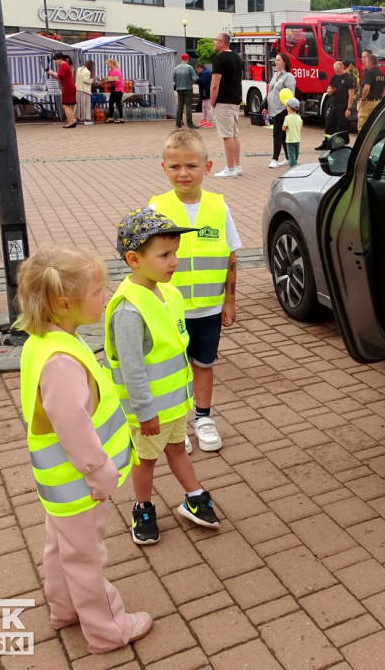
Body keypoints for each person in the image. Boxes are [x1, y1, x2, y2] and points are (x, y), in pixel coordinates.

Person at [12, 246, 153, 654]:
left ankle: (65, 609)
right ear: (63, 302)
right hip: (81, 483)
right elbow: (72, 425)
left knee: (61, 547)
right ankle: (108, 629)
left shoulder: (43, 343)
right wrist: (100, 471)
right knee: (87, 556)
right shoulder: (61, 359)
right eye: (96, 292)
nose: (104, 297)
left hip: (59, 483)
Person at [105, 207, 223, 545]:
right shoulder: (128, 310)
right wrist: (145, 412)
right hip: (149, 412)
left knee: (176, 449)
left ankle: (194, 496)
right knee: (146, 460)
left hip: (172, 404)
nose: (174, 261)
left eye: (175, 253)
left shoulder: (168, 292)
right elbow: (132, 368)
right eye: (165, 255)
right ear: (134, 259)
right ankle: (142, 508)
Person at [148, 129, 240, 452]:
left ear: (208, 167)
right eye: (175, 167)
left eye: (191, 166)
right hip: (169, 311)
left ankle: (203, 418)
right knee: (172, 369)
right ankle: (177, 426)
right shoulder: (156, 208)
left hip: (209, 309)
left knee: (203, 364)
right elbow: (147, 261)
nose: (183, 173)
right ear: (163, 168)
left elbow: (230, 256)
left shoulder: (219, 207)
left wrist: (229, 300)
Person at [209, 32, 243, 177]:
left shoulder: (220, 58)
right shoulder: (237, 57)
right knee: (234, 134)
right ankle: (237, 165)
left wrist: (212, 101)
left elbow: (215, 84)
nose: (213, 42)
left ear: (222, 42)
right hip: (235, 100)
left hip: (223, 101)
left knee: (227, 135)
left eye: (215, 40)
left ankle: (230, 169)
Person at [265, 52, 296, 168]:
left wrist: (290, 109)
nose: (276, 62)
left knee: (277, 134)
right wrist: (266, 103)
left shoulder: (289, 77)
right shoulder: (275, 75)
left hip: (282, 109)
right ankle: (288, 158)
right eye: (275, 60)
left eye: (278, 60)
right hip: (273, 108)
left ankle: (274, 159)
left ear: (285, 62)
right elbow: (271, 90)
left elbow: (290, 94)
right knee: (282, 135)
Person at [319, 60, 354, 149]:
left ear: (342, 68)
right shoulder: (334, 78)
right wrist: (330, 91)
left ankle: (340, 144)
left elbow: (351, 95)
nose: (337, 72)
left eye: (338, 70)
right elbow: (329, 91)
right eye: (335, 70)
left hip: (343, 105)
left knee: (341, 126)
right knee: (330, 123)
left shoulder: (348, 78)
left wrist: (349, 109)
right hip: (334, 103)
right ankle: (326, 143)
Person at [358, 49, 385, 131]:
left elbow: (366, 87)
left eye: (366, 61)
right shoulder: (381, 73)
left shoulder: (368, 73)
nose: (365, 63)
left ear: (370, 63)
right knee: (373, 125)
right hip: (377, 102)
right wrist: (380, 96)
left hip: (368, 102)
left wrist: (363, 98)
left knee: (362, 126)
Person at [48, 53, 76, 128]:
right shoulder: (65, 65)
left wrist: (52, 73)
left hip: (67, 86)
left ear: (60, 59)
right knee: (68, 105)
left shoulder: (63, 65)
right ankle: (72, 121)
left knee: (65, 105)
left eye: (56, 60)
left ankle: (70, 122)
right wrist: (53, 73)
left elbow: (60, 76)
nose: (55, 62)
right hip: (69, 86)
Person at [172, 53, 197, 129]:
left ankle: (177, 124)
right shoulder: (190, 67)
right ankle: (190, 123)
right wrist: (191, 82)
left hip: (179, 89)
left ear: (181, 59)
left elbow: (174, 80)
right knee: (188, 106)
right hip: (188, 88)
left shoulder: (176, 68)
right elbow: (195, 79)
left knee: (180, 106)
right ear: (187, 59)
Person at [282, 97, 302, 168]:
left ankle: (292, 167)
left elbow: (284, 128)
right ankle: (295, 164)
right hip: (297, 139)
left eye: (287, 105)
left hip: (290, 140)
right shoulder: (299, 117)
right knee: (296, 154)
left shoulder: (287, 118)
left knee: (291, 155)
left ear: (290, 107)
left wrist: (286, 127)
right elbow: (301, 128)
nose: (286, 107)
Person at [103, 59, 124, 123]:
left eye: (108, 63)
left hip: (118, 89)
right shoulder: (110, 71)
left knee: (118, 103)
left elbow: (119, 81)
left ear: (112, 63)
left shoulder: (118, 71)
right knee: (111, 103)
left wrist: (112, 83)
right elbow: (108, 78)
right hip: (113, 89)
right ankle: (110, 117)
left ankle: (121, 118)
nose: (107, 65)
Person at [75, 59, 93, 125]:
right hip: (85, 90)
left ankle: (75, 118)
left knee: (77, 105)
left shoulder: (79, 69)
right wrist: (92, 80)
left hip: (78, 89)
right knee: (86, 105)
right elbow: (85, 80)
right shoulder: (88, 71)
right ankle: (86, 120)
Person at [195, 62, 213, 127]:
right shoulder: (207, 72)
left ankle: (209, 122)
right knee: (205, 106)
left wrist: (196, 80)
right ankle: (205, 120)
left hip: (206, 92)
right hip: (207, 91)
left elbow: (203, 82)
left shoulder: (204, 73)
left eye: (197, 69)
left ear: (199, 67)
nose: (197, 71)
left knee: (207, 107)